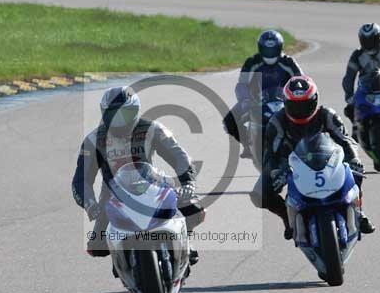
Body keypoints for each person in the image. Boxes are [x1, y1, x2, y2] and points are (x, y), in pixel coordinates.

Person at [72, 86, 202, 264]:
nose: (119, 122)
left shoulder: (153, 129)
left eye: (124, 115)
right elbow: (81, 180)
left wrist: (188, 181)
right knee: (98, 246)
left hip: (152, 187)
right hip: (113, 196)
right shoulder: (92, 140)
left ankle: (185, 243)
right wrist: (90, 203)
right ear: (104, 114)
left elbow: (179, 155)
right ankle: (122, 260)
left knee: (194, 208)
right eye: (113, 116)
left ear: (135, 111)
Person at [252, 76, 375, 239]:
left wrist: (354, 159)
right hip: (290, 163)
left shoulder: (327, 115)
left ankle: (359, 213)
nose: (300, 110)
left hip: (328, 159)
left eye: (305, 104)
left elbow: (346, 140)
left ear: (315, 100)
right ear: (286, 103)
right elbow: (271, 153)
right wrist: (275, 171)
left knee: (355, 172)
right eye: (295, 105)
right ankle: (287, 218)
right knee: (260, 194)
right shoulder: (278, 121)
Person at [223, 30, 304, 157]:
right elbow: (241, 84)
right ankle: (247, 144)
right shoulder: (252, 62)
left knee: (304, 117)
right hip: (255, 101)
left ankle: (303, 147)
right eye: (266, 50)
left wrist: (298, 97)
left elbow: (301, 81)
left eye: (272, 50)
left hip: (285, 101)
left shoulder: (288, 62)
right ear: (260, 48)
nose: (269, 54)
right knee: (229, 121)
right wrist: (245, 100)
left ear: (280, 48)